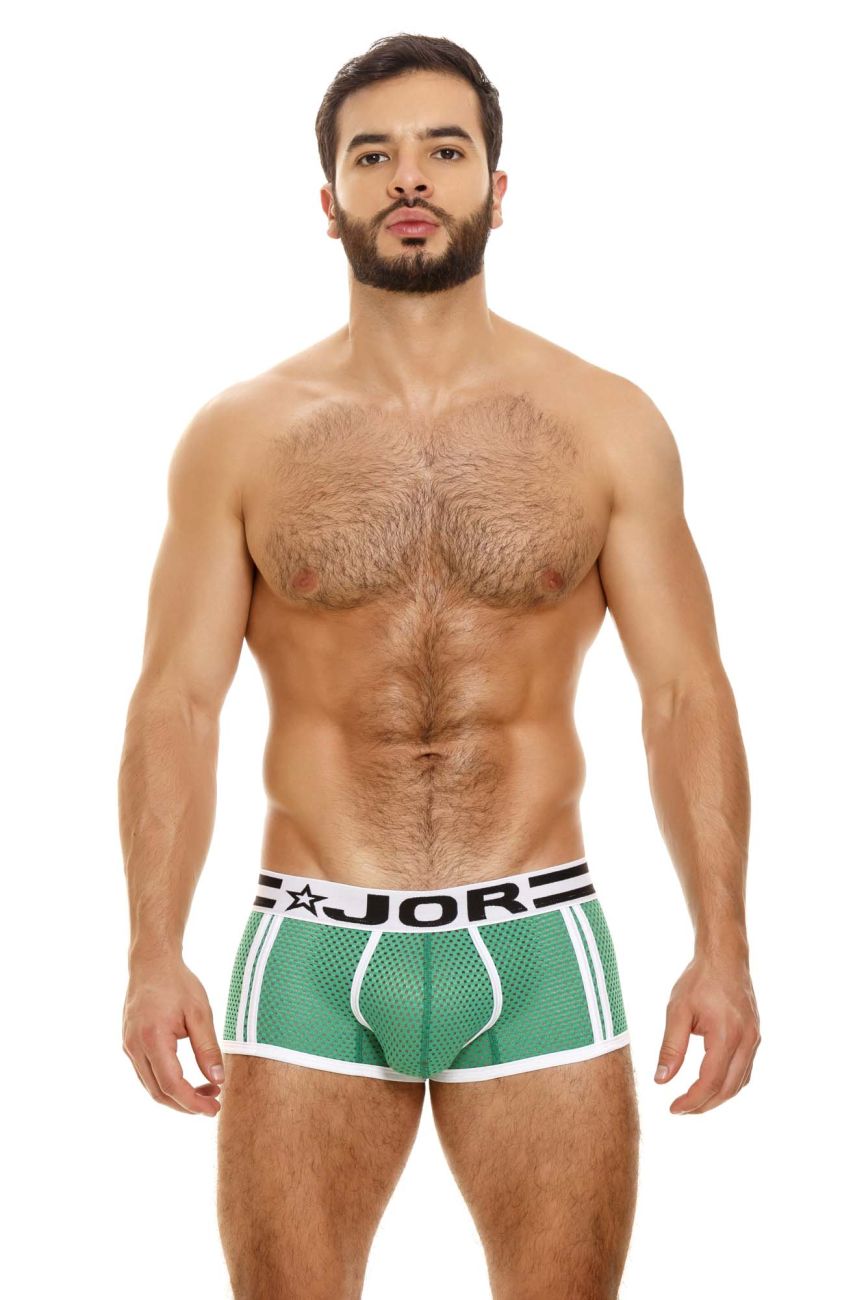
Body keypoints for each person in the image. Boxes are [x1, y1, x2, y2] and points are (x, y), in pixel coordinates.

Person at [119, 32, 761, 1300]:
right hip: (311, 945)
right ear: (329, 201)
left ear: (495, 189)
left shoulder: (603, 422)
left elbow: (683, 693)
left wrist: (722, 945)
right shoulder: (240, 436)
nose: (408, 176)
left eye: (442, 150)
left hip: (536, 941)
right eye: (373, 156)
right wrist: (151, 949)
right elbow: (177, 703)